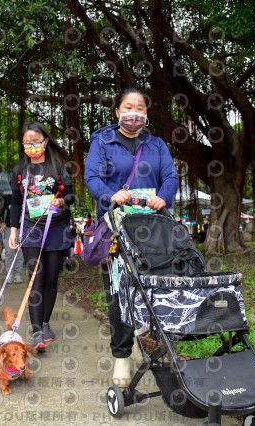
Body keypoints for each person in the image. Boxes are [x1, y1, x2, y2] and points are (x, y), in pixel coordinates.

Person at [84, 87, 178, 387]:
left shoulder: (157, 144)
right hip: (117, 229)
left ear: (146, 113)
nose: (134, 112)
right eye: (128, 106)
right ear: (117, 112)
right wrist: (110, 194)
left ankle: (154, 347)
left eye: (140, 107)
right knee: (119, 293)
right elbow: (92, 177)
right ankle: (122, 356)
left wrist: (163, 197)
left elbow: (171, 177)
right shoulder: (103, 141)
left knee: (154, 287)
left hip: (153, 229)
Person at [6, 121, 75, 352]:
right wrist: (13, 230)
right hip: (31, 229)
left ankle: (45, 323)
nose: (32, 146)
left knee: (51, 278)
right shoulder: (20, 170)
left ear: (45, 141)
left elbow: (71, 195)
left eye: (36, 142)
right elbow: (16, 202)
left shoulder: (59, 167)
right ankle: (36, 332)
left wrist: (61, 200)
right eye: (27, 142)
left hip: (57, 228)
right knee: (36, 276)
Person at [0, 193, 24, 283]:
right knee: (9, 252)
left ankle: (18, 274)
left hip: (22, 229)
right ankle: (9, 274)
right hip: (9, 228)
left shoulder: (26, 195)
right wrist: (2, 222)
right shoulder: (7, 198)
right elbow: (1, 212)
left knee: (20, 252)